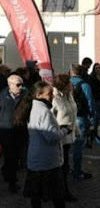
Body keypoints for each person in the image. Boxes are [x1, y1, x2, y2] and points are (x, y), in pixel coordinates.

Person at [23, 81, 70, 208]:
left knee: (36, 196)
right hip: (47, 162)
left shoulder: (34, 107)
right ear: (39, 95)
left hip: (38, 159)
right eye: (49, 94)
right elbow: (51, 136)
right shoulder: (43, 111)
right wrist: (65, 130)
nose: (52, 96)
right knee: (57, 197)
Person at [51, 74, 78, 202]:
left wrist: (76, 130)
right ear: (63, 85)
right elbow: (50, 119)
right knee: (62, 167)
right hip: (59, 139)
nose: (72, 85)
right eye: (69, 83)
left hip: (69, 137)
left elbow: (73, 114)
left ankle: (61, 191)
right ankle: (62, 193)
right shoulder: (54, 98)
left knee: (65, 166)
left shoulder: (69, 96)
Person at [0, 74, 26, 193]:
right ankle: (10, 178)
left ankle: (10, 178)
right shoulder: (2, 95)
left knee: (14, 158)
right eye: (18, 85)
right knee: (9, 156)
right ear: (10, 85)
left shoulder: (26, 95)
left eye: (22, 84)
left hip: (19, 131)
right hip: (5, 131)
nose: (21, 87)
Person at [70, 63, 95, 179]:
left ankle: (66, 168)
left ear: (71, 72)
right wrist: (92, 119)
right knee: (78, 146)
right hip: (80, 117)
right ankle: (77, 170)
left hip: (66, 118)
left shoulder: (66, 83)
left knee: (64, 146)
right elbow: (90, 103)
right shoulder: (85, 85)